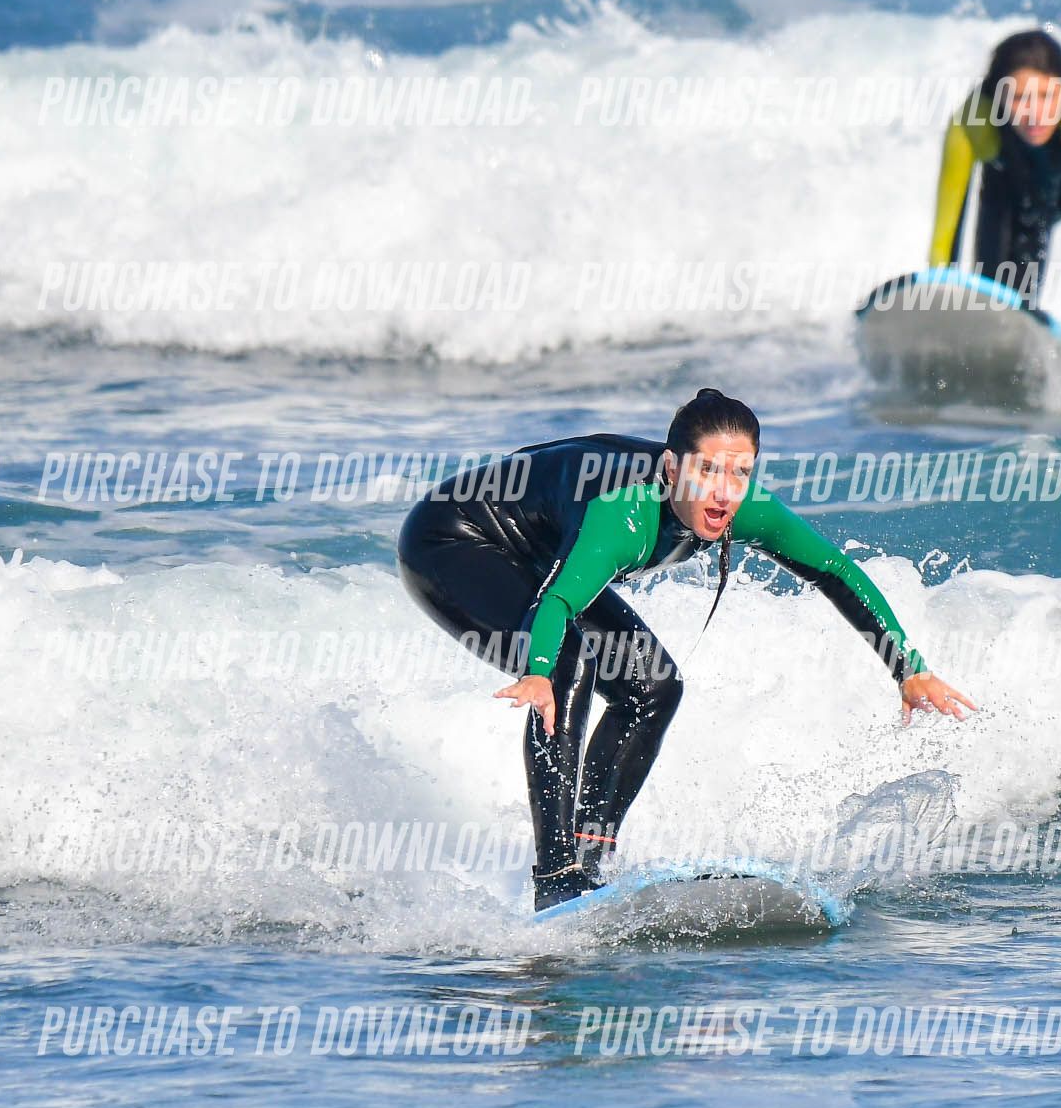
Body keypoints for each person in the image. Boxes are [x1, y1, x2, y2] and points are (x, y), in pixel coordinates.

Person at [396, 389, 975, 911]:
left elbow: (833, 570)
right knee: (569, 664)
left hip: (545, 552)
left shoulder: (743, 507)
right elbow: (558, 602)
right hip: (455, 540)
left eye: (740, 473)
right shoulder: (621, 515)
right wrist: (538, 669)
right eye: (707, 470)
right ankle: (555, 877)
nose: (724, 491)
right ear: (673, 468)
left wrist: (908, 670)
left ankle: (590, 861)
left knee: (653, 687)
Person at [928, 29, 1061, 365]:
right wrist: (935, 332)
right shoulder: (971, 123)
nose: (1034, 114)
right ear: (997, 97)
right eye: (1018, 98)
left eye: (1046, 96)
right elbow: (945, 240)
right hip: (1024, 185)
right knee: (998, 291)